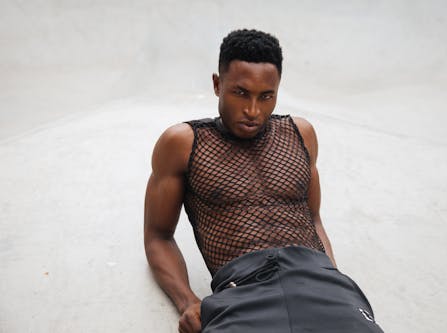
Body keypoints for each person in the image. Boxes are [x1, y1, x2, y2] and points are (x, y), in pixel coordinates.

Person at [144, 29, 384, 333]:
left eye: (266, 96)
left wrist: (333, 277)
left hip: (317, 277)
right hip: (242, 288)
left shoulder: (301, 134)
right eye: (240, 93)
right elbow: (158, 236)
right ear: (217, 85)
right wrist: (188, 300)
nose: (253, 111)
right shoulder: (184, 143)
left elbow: (314, 220)